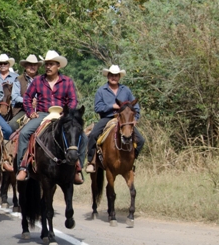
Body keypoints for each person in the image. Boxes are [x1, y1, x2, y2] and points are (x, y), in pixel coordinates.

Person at [15, 50, 86, 184]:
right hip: (42, 113)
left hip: (62, 115)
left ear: (58, 66)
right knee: (24, 133)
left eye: (51, 64)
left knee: (84, 137)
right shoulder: (38, 80)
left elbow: (73, 100)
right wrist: (30, 112)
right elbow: (27, 98)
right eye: (47, 64)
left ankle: (77, 168)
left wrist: (67, 113)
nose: (48, 67)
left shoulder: (67, 81)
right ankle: (23, 167)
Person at [86, 65, 145, 173]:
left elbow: (135, 106)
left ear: (119, 77)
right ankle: (91, 161)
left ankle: (131, 161)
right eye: (111, 75)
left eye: (116, 75)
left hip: (124, 120)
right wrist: (112, 106)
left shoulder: (126, 90)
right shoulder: (101, 90)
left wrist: (135, 119)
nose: (114, 77)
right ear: (108, 76)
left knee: (141, 140)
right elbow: (97, 107)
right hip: (107, 118)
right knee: (93, 135)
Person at [9, 54, 42, 130]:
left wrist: (38, 102)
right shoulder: (19, 79)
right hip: (23, 109)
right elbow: (15, 96)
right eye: (30, 65)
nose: (32, 67)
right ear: (25, 66)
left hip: (40, 109)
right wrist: (28, 101)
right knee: (12, 124)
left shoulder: (42, 79)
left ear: (37, 67)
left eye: (34, 65)